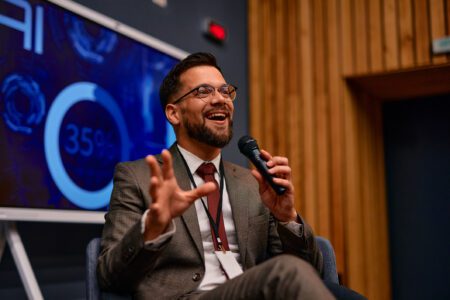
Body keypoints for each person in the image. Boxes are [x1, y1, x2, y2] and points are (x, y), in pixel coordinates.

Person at [97, 52, 363, 300]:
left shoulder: (252, 182)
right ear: (173, 113)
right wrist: (151, 228)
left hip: (251, 290)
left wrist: (287, 218)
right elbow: (109, 277)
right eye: (203, 91)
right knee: (286, 272)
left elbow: (312, 273)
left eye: (225, 91)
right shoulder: (137, 177)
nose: (220, 98)